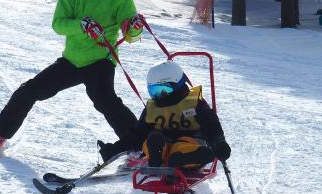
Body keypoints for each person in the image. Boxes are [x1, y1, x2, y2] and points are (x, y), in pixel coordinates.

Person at [0, 0, 145, 152]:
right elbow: (58, 25)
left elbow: (132, 37)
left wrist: (135, 27)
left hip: (101, 61)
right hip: (71, 60)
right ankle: (1, 134)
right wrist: (82, 25)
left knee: (107, 102)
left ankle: (140, 146)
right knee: (29, 90)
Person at [97, 60, 231, 170]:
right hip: (162, 144)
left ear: (177, 84)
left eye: (163, 90)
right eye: (153, 91)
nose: (159, 96)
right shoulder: (153, 108)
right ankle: (159, 158)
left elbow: (212, 125)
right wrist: (115, 149)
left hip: (190, 141)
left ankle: (186, 157)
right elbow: (136, 135)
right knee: (151, 141)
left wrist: (219, 142)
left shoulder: (194, 103)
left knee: (184, 147)